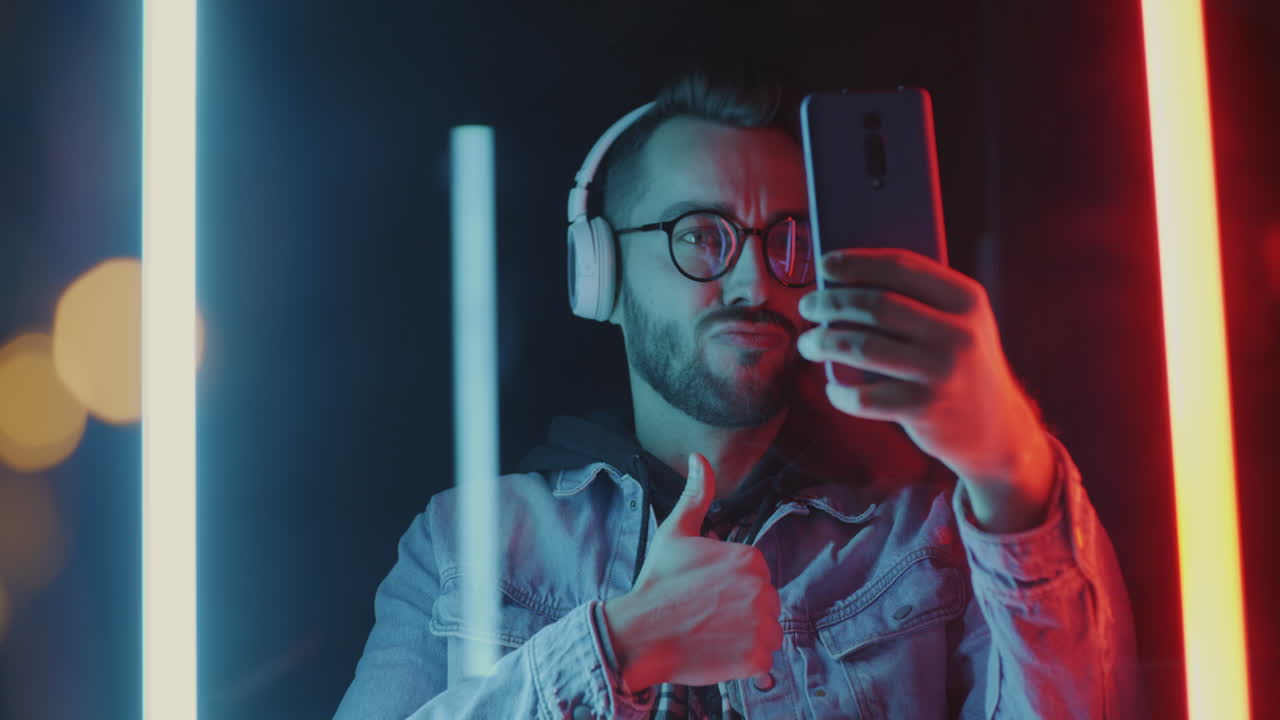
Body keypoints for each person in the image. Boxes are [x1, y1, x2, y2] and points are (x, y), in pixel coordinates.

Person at [334, 68, 1141, 719]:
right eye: (700, 237)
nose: (756, 280)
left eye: (789, 240)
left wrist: (1012, 468)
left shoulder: (922, 537)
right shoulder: (465, 545)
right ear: (598, 275)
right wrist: (619, 650)